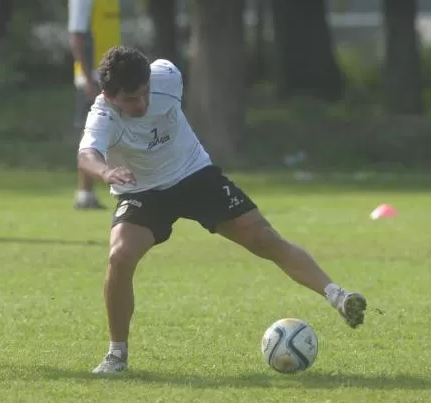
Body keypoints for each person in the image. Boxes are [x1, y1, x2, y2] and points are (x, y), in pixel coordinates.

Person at [77, 46, 367, 374]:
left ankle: (338, 297)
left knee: (264, 238)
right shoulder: (102, 115)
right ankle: (117, 355)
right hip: (142, 190)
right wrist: (105, 172)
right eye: (130, 100)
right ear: (109, 96)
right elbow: (86, 155)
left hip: (194, 174)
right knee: (119, 256)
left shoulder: (166, 76)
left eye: (144, 93)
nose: (142, 104)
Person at [67, 0, 121, 210]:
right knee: (91, 132)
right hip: (93, 75)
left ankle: (116, 187)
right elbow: (77, 35)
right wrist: (87, 76)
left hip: (113, 74)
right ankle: (84, 194)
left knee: (114, 131)